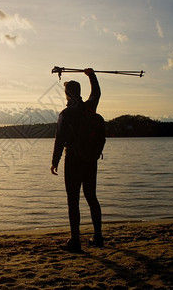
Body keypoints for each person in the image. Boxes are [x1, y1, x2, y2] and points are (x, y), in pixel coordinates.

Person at [50, 68, 103, 252]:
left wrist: (54, 161)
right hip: (90, 160)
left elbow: (59, 140)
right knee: (91, 196)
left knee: (73, 200)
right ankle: (98, 236)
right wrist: (92, 76)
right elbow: (96, 93)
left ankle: (75, 241)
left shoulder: (66, 114)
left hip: (73, 160)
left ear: (67, 94)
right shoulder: (90, 107)